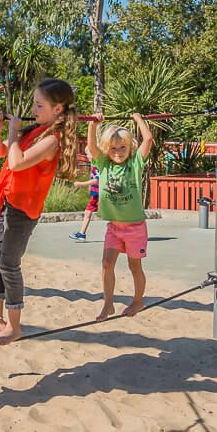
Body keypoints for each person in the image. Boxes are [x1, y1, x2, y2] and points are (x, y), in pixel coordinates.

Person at [0, 79, 79, 345]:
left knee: (8, 263)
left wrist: (13, 132)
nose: (33, 110)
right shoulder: (32, 132)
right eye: (34, 104)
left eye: (39, 105)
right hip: (5, 200)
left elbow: (17, 162)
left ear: (57, 109)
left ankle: (14, 326)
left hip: (22, 210)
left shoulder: (51, 140)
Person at [86, 113, 153, 320]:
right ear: (107, 149)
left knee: (135, 266)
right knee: (107, 264)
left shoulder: (135, 163)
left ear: (129, 147)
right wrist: (93, 124)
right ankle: (108, 304)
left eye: (122, 147)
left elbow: (148, 139)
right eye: (113, 148)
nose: (118, 152)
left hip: (135, 228)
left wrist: (138, 120)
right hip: (114, 228)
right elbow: (91, 146)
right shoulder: (103, 164)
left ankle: (138, 301)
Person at [69, 165, 100, 241]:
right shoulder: (94, 163)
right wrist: (90, 188)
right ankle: (82, 233)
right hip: (96, 193)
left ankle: (82, 234)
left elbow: (96, 180)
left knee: (88, 212)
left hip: (98, 194)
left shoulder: (98, 163)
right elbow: (93, 176)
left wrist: (81, 184)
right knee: (87, 212)